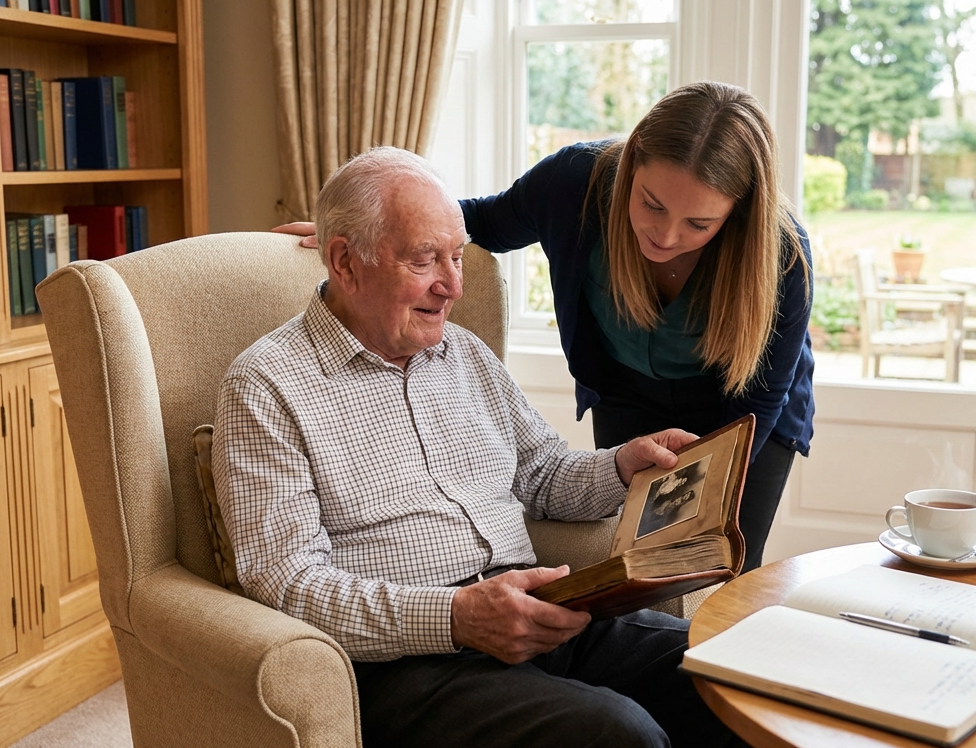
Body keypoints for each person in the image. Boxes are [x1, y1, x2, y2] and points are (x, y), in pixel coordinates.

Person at [217, 146, 771, 748]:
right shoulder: (268, 385)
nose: (453, 285)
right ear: (346, 260)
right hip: (405, 661)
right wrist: (455, 616)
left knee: (736, 670)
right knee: (620, 736)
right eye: (425, 259)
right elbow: (285, 582)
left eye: (456, 255)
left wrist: (624, 465)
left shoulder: (465, 356)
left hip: (539, 615)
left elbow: (545, 474)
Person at [276, 81, 814, 572]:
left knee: (720, 569)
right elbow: (482, 220)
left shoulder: (782, 254)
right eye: (650, 204)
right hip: (629, 394)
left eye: (699, 223)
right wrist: (356, 234)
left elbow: (762, 398)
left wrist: (707, 487)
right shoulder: (575, 182)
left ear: (737, 214)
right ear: (630, 166)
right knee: (640, 564)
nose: (667, 236)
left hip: (745, 411)